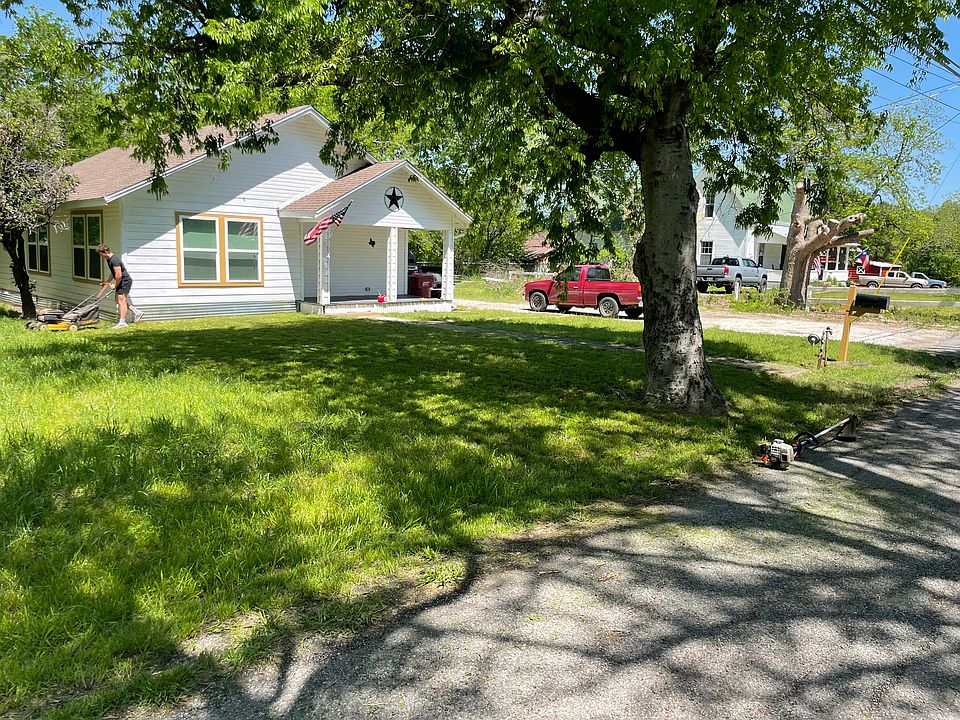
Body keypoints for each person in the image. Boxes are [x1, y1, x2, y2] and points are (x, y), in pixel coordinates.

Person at [96, 245, 144, 328]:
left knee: (121, 301)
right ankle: (136, 311)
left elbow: (119, 276)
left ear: (106, 252)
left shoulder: (114, 260)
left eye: (101, 254)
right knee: (118, 300)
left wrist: (115, 285)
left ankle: (122, 322)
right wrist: (108, 281)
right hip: (121, 281)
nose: (100, 256)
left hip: (124, 281)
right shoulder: (109, 260)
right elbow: (113, 272)